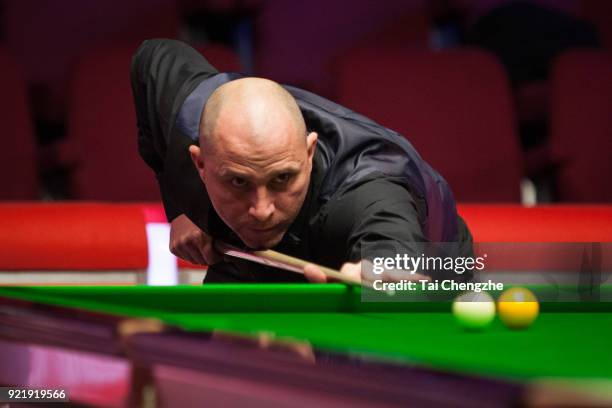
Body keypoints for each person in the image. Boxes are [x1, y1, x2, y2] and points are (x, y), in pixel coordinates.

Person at [131, 39, 473, 284]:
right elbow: (152, 57)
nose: (262, 210)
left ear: (309, 154)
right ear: (200, 165)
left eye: (282, 179)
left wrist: (383, 273)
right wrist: (180, 210)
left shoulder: (365, 191)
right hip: (254, 254)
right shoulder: (189, 117)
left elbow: (396, 251)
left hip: (422, 267)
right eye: (239, 182)